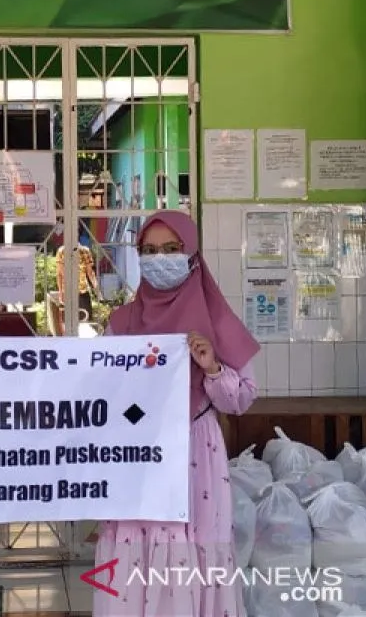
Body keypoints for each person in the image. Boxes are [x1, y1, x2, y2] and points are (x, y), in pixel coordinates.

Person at [93, 210, 259, 617]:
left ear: (192, 255)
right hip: (137, 456)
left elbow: (240, 400)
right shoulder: (122, 324)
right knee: (136, 549)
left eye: (171, 249)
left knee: (191, 551)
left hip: (195, 457)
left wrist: (212, 367)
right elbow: (101, 391)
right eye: (149, 251)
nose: (159, 259)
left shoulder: (217, 323)